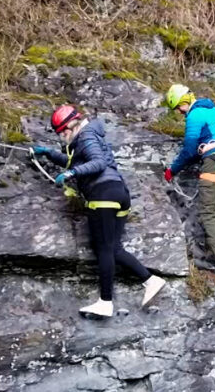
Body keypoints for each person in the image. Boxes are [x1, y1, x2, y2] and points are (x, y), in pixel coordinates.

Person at [33, 105, 165, 318]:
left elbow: (98, 163)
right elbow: (73, 160)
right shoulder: (87, 137)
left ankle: (105, 302)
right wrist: (49, 154)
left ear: (70, 126)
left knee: (103, 249)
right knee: (114, 249)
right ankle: (151, 280)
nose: (62, 137)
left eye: (62, 132)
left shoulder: (86, 136)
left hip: (102, 194)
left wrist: (72, 173)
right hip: (119, 193)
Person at [162, 84, 215, 283]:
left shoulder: (195, 115)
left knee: (208, 213)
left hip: (214, 162)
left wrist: (172, 170)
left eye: (178, 107)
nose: (179, 112)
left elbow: (189, 149)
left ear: (184, 101)